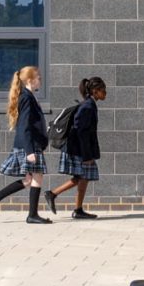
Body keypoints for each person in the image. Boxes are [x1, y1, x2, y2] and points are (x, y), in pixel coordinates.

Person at [0, 65, 52, 224]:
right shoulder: (26, 97)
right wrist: (30, 151)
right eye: (38, 78)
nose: (40, 80)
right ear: (30, 80)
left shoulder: (29, 96)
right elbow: (24, 126)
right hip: (29, 146)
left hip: (31, 144)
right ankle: (32, 215)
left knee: (30, 179)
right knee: (37, 176)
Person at [45, 77, 106, 220]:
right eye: (103, 91)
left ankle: (77, 209)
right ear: (95, 91)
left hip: (80, 148)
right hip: (78, 149)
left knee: (84, 177)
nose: (105, 94)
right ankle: (52, 194)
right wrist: (86, 156)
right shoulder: (87, 107)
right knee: (82, 176)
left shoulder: (89, 105)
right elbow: (80, 131)